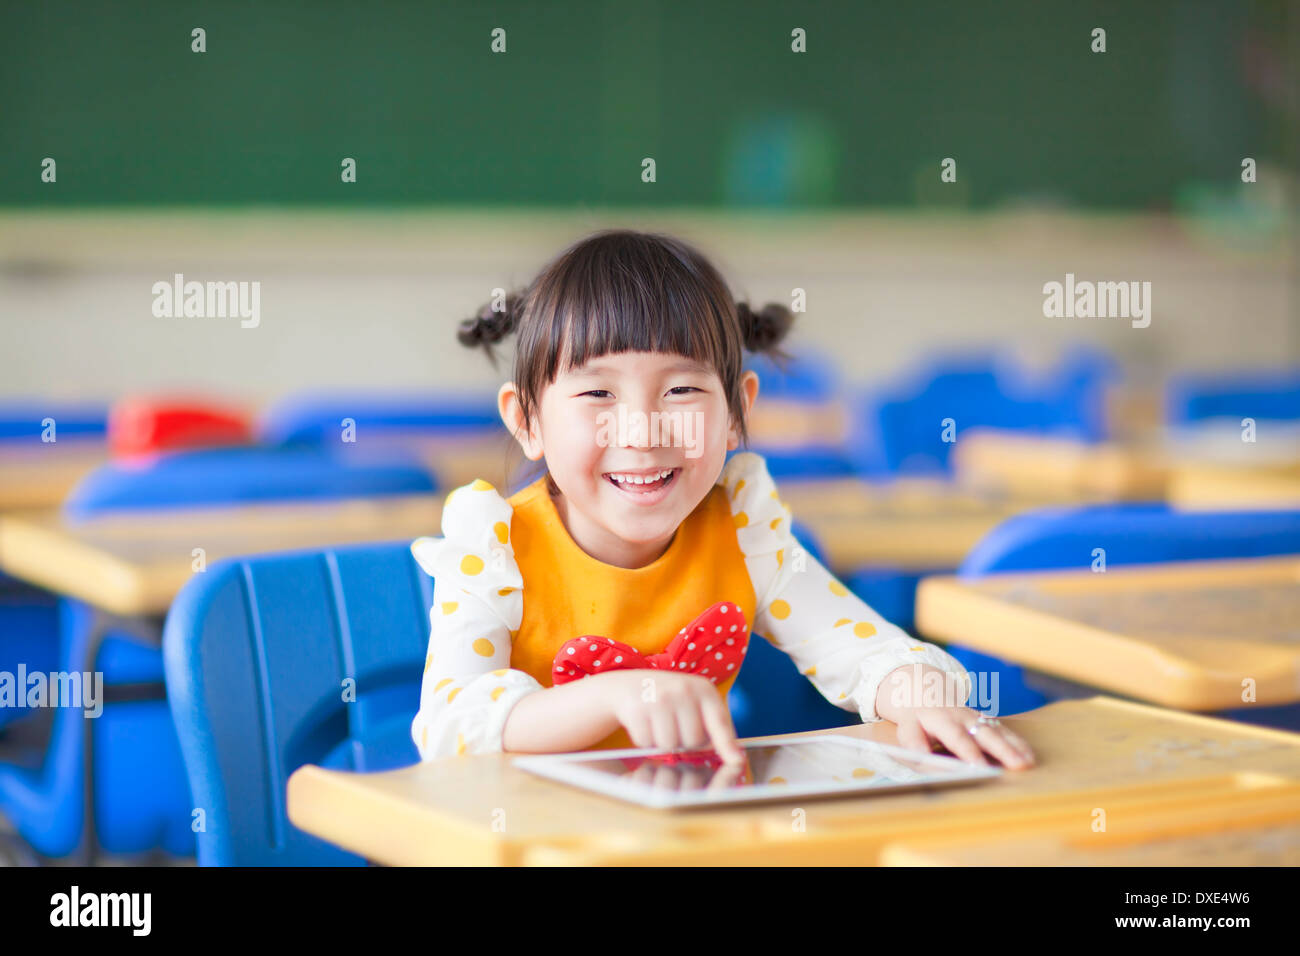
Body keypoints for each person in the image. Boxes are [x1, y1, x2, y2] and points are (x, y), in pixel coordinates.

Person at [410, 228, 1035, 770]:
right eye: (598, 395)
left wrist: (919, 689)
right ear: (528, 422)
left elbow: (860, 647)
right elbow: (451, 724)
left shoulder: (742, 534)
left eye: (680, 389)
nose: (642, 429)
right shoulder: (492, 546)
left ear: (738, 413)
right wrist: (614, 696)